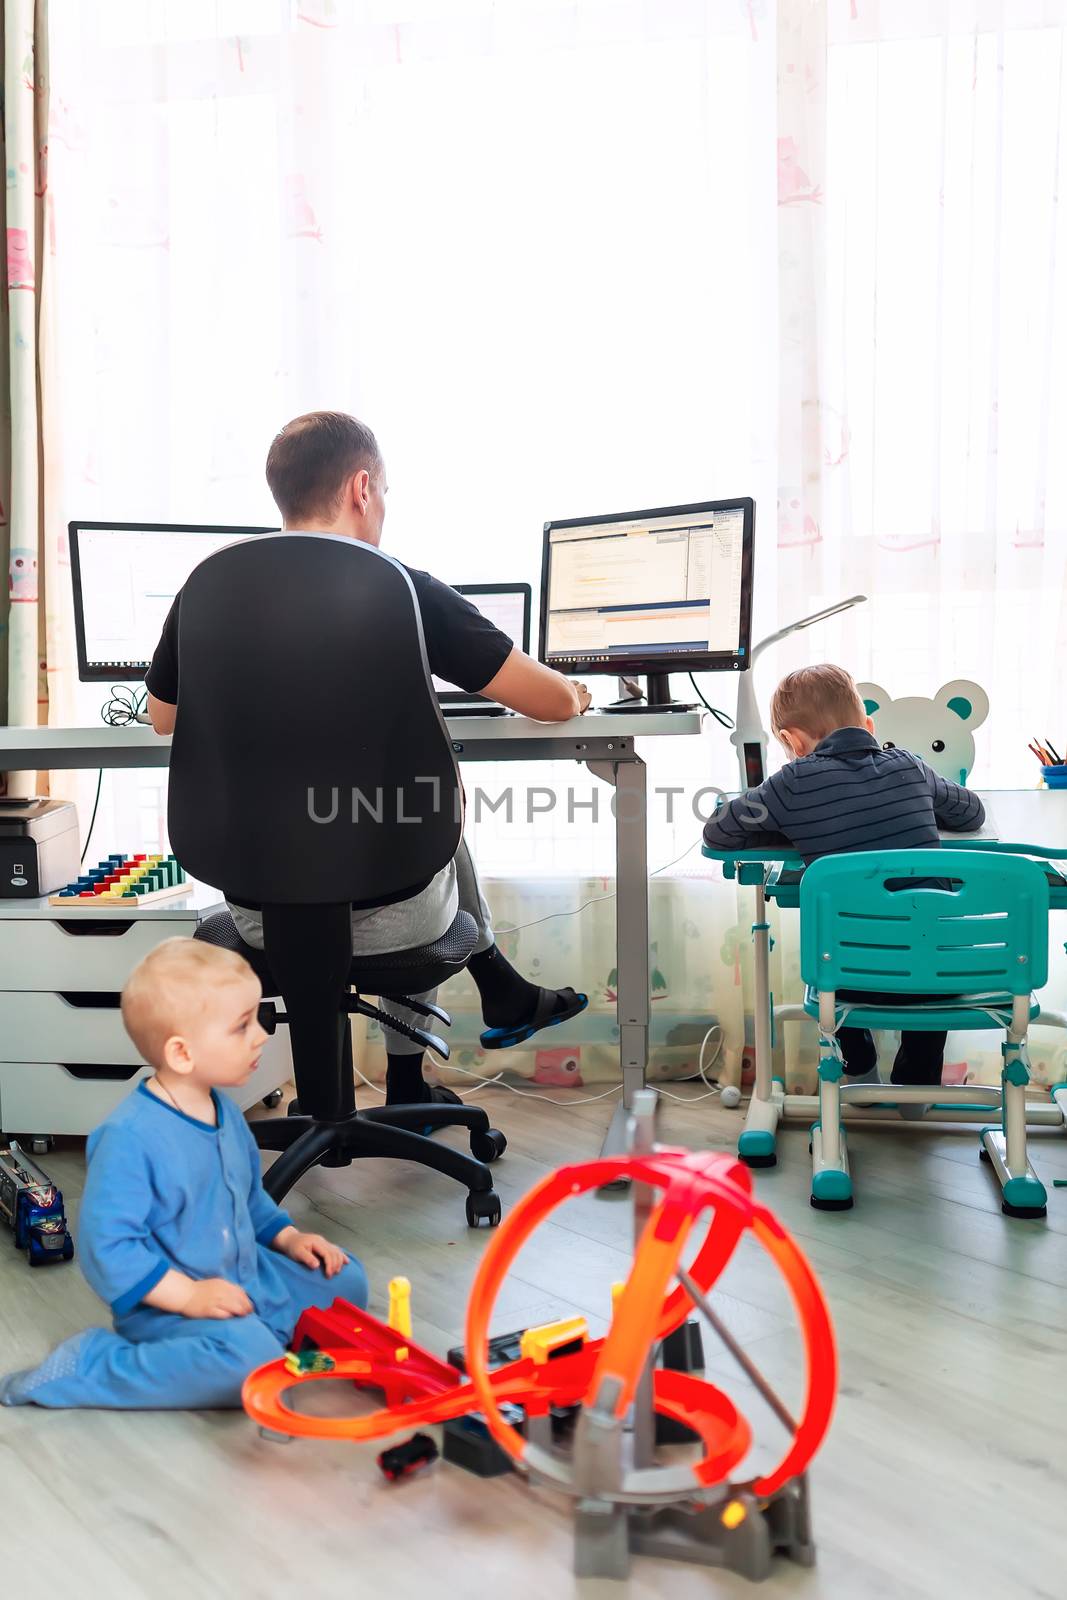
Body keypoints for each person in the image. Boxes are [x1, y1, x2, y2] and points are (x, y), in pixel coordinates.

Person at [144, 411, 592, 1110]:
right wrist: (579, 686)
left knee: (410, 817)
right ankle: (452, 1037)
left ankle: (469, 1023)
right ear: (360, 488)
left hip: (258, 908)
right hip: (392, 908)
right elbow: (551, 702)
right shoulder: (400, 585)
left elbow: (162, 717)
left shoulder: (210, 588)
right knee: (416, 820)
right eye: (383, 491)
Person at [0, 939, 368, 1410]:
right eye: (242, 1027)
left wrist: (291, 1239)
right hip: (167, 1304)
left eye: (257, 1019)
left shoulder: (225, 1113)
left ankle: (264, 1336)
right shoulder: (129, 1137)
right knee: (246, 1369)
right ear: (182, 1053)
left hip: (246, 1273)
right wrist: (189, 1296)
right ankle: (91, 1365)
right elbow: (107, 1249)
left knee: (346, 1280)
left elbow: (249, 1201)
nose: (261, 1035)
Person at [701, 663, 985, 1096]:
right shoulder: (911, 765)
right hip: (935, 971)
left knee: (831, 953)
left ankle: (859, 1066)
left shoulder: (791, 784)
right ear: (868, 725)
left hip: (850, 973)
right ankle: (918, 1084)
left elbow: (718, 830)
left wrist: (785, 823)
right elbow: (971, 813)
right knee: (927, 945)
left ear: (790, 740)